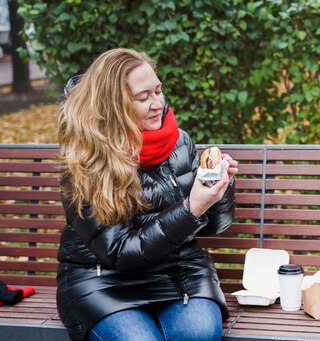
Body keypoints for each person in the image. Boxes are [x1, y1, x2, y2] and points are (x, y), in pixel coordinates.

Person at [56, 48, 239, 341]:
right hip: (104, 281)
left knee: (198, 336)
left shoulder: (179, 141)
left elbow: (217, 225)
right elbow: (120, 253)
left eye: (158, 91)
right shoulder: (84, 160)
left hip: (180, 273)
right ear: (113, 104)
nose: (157, 104)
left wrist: (220, 187)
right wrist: (191, 208)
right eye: (143, 97)